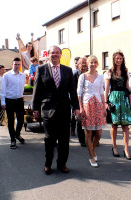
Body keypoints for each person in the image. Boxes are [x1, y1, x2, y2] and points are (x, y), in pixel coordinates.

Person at [32, 45, 79, 175]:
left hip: (64, 110)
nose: (55, 55)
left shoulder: (68, 70)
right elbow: (37, 90)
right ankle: (48, 163)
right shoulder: (41, 69)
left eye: (57, 53)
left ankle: (62, 164)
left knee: (64, 139)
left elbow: (73, 91)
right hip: (48, 110)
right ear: (49, 55)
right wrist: (35, 108)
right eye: (53, 53)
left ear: (60, 55)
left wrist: (76, 107)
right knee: (49, 139)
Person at [77, 55, 106, 167]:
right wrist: (80, 107)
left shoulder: (100, 77)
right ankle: (91, 157)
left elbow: (102, 93)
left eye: (94, 62)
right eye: (90, 62)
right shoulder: (82, 77)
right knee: (88, 132)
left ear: (97, 64)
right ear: (87, 64)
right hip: (87, 105)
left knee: (98, 133)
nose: (92, 64)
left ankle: (92, 150)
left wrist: (104, 107)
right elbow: (79, 93)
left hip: (98, 104)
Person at [104, 51, 131, 160]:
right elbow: (107, 88)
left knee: (125, 125)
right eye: (117, 58)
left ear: (122, 59)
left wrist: (130, 101)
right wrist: (106, 102)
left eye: (120, 58)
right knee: (114, 125)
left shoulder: (125, 71)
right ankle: (114, 146)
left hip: (124, 99)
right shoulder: (110, 72)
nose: (118, 60)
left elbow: (127, 87)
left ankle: (126, 149)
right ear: (114, 59)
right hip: (114, 98)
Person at [1, 58, 26, 149]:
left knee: (21, 120)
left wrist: (21, 95)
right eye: (15, 64)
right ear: (12, 65)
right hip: (9, 101)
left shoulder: (23, 75)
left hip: (19, 100)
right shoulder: (6, 75)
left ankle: (17, 134)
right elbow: (3, 89)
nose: (17, 66)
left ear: (20, 65)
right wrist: (3, 102)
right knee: (11, 122)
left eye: (18, 64)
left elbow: (22, 87)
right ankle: (13, 140)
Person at [71, 57, 88, 147]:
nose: (84, 65)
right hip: (79, 100)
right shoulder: (75, 75)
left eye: (85, 63)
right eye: (82, 63)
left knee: (91, 120)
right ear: (78, 65)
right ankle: (82, 140)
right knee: (80, 120)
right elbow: (73, 89)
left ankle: (91, 138)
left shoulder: (91, 73)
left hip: (89, 100)